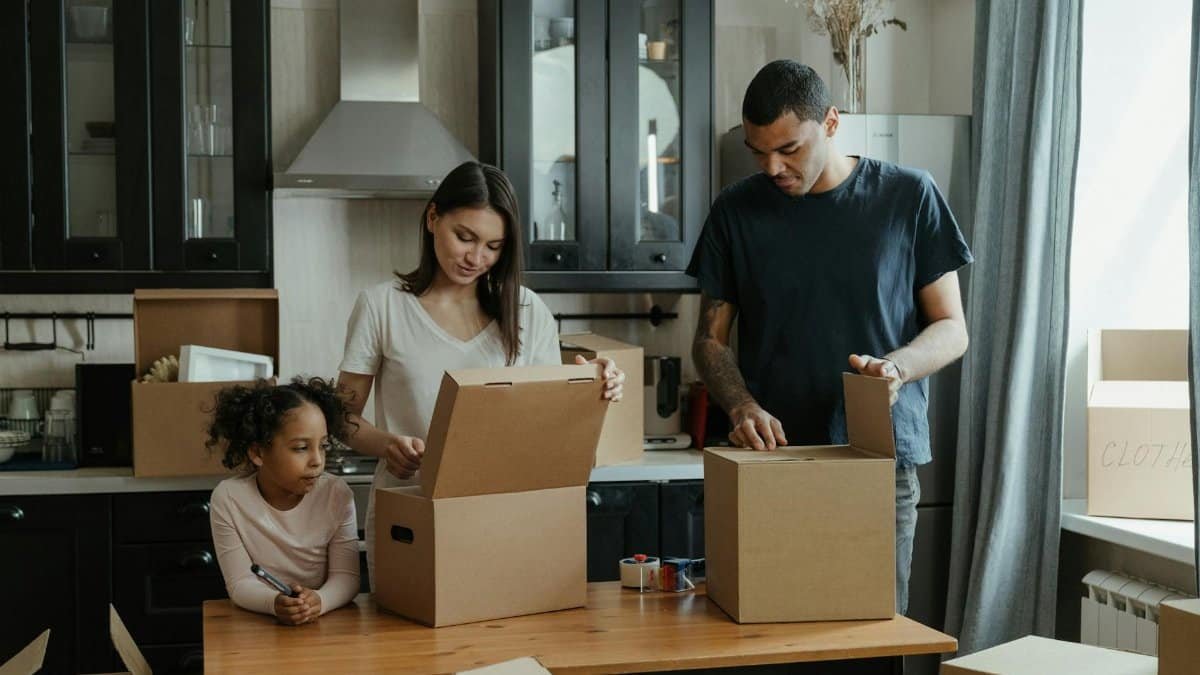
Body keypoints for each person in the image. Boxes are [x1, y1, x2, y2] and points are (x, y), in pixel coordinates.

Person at [687, 60, 972, 614]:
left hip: (877, 465)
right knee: (766, 643)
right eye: (757, 151)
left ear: (832, 123)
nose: (772, 167)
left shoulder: (910, 197)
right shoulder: (734, 211)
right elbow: (710, 340)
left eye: (789, 149)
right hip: (773, 465)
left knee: (871, 644)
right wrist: (741, 405)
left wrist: (897, 368)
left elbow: (952, 327)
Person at [337, 161, 625, 585]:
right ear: (433, 218)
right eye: (465, 237)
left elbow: (549, 426)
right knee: (407, 646)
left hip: (502, 516)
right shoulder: (382, 307)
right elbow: (340, 417)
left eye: (494, 246)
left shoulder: (527, 311)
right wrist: (386, 445)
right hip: (410, 511)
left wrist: (590, 384)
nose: (476, 258)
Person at [206, 377, 360, 625]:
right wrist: (275, 603)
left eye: (322, 446)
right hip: (258, 626)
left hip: (325, 624)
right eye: (301, 448)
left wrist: (319, 601)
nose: (317, 460)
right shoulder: (229, 499)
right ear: (258, 453)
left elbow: (347, 578)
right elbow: (240, 583)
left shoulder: (336, 495)